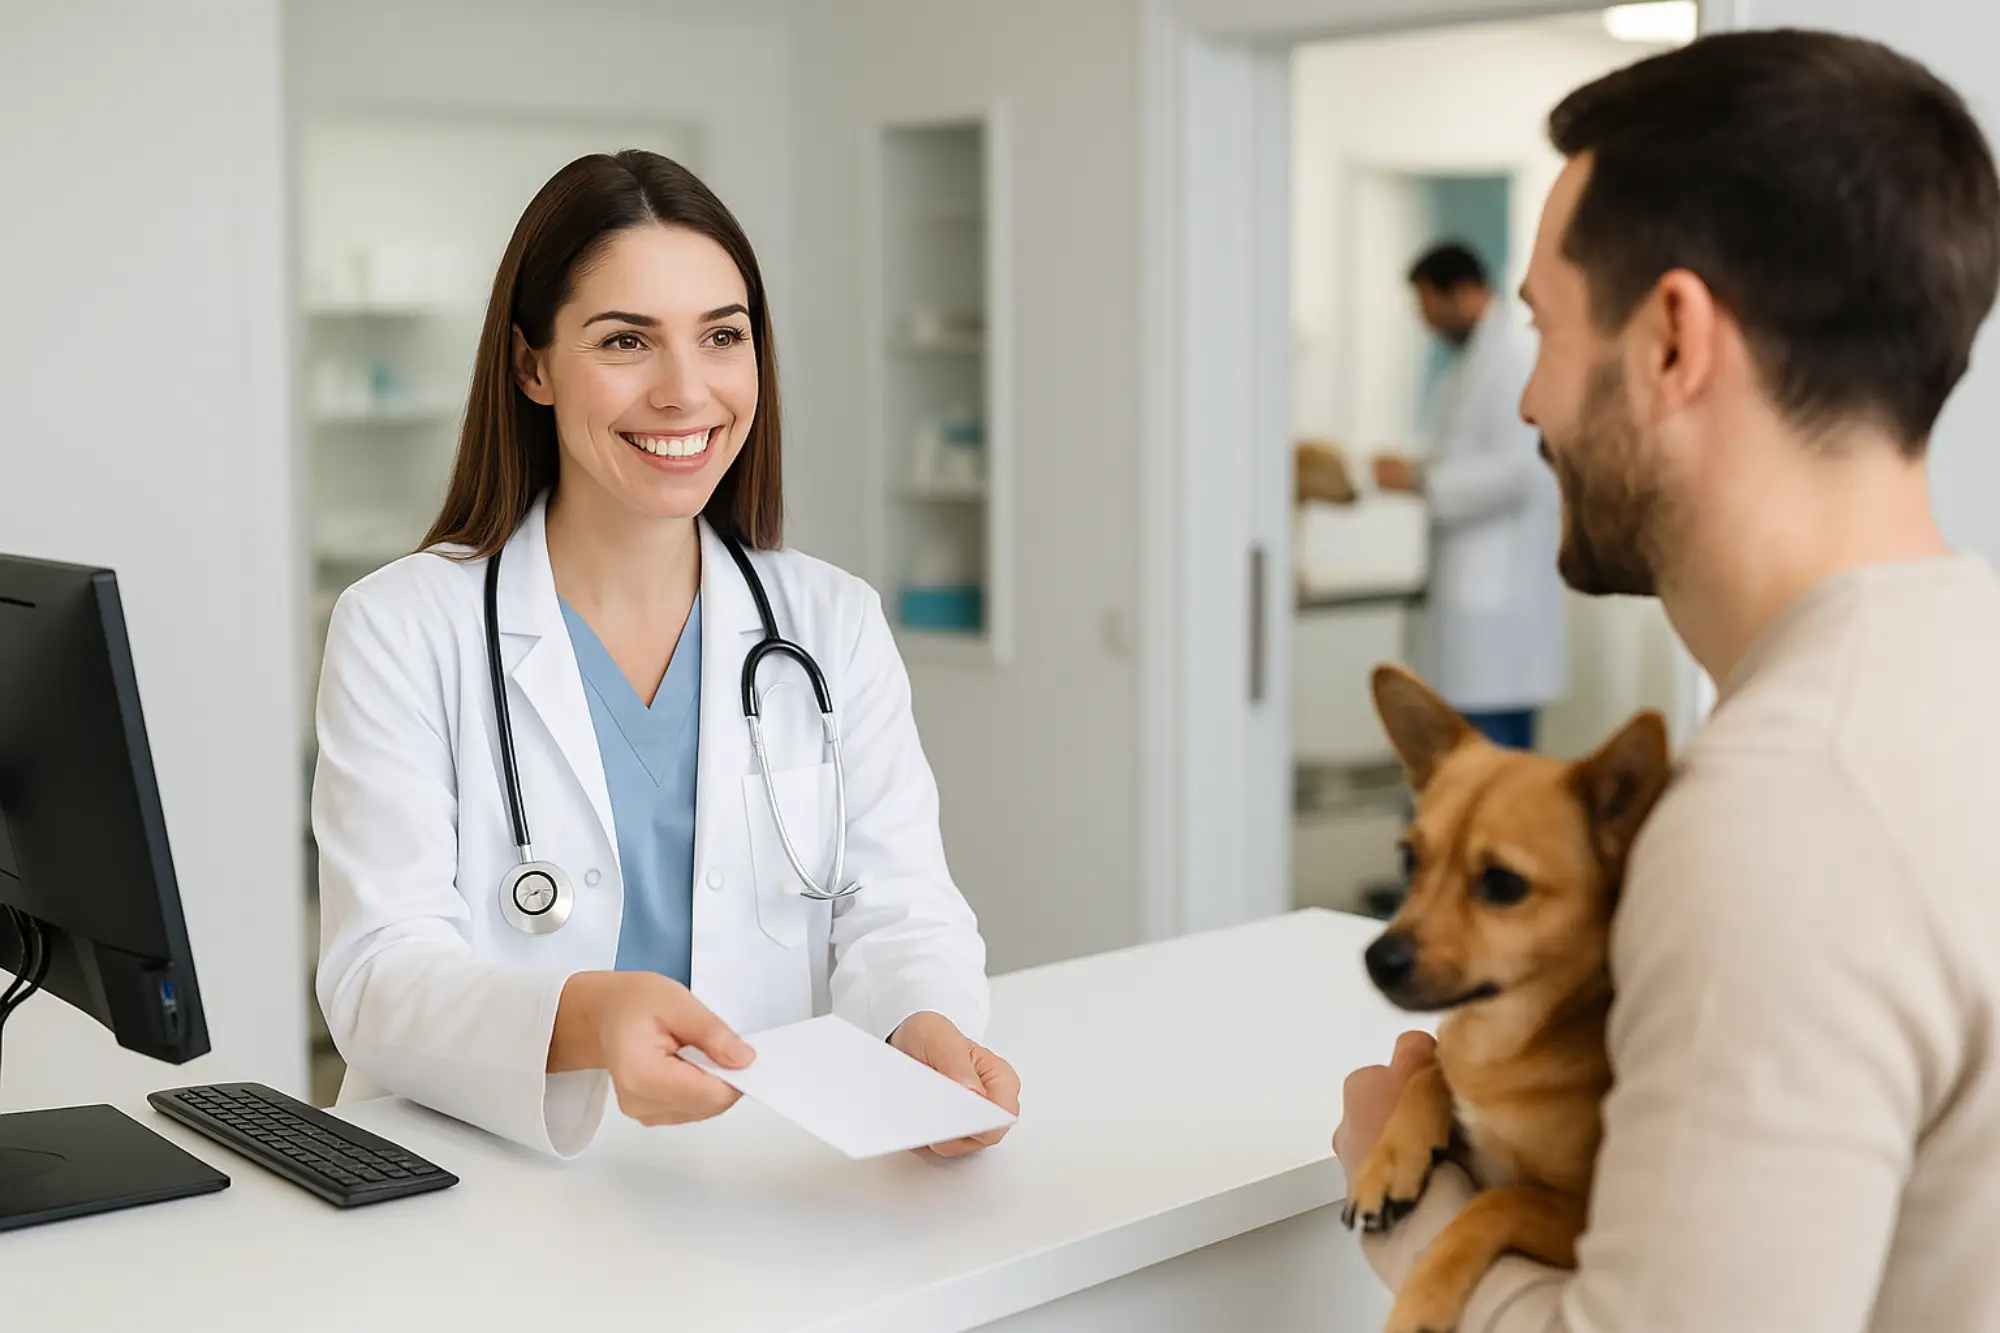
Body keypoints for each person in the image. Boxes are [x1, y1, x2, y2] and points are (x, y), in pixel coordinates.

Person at [1336, 28, 2000, 1332]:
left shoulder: (1780, 812)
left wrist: (1403, 1209)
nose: (1528, 402)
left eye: (1546, 331)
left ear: (1672, 340)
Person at [312, 150, 1019, 1160]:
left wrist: (922, 1030)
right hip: (488, 1180)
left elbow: (899, 905)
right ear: (532, 365)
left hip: (755, 1174)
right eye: (625, 340)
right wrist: (588, 1017)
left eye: (721, 337)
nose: (685, 391)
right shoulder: (402, 626)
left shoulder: (829, 621)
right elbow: (378, 970)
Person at [1371, 242, 1565, 751]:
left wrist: (1420, 481)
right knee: (1459, 755)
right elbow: (1469, 457)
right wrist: (1418, 471)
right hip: (1470, 605)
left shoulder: (1512, 358)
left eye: (1425, 304)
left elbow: (1522, 470)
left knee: (1496, 762)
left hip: (1499, 605)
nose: (1423, 319)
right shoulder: (1470, 364)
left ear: (1462, 292)